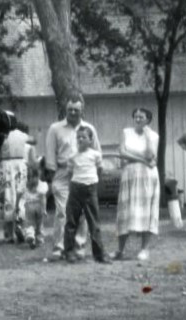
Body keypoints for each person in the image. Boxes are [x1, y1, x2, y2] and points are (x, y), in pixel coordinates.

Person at [45, 94, 100, 260]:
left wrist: (94, 175)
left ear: (82, 110)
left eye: (76, 110)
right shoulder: (55, 129)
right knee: (62, 212)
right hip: (62, 173)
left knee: (81, 212)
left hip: (83, 174)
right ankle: (59, 247)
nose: (73, 112)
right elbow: (50, 155)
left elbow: (97, 152)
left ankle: (78, 246)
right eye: (70, 109)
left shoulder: (89, 128)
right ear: (65, 109)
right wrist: (52, 178)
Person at [115, 108, 161, 261]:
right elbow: (122, 152)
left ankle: (144, 249)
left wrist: (147, 137)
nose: (138, 119)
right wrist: (142, 159)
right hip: (129, 175)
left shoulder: (153, 136)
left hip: (147, 177)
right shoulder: (126, 132)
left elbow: (151, 155)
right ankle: (120, 250)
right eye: (136, 116)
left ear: (148, 120)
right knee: (125, 211)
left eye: (142, 117)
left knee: (146, 210)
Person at [62, 125, 112, 264]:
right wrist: (74, 185)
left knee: (94, 223)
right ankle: (69, 252)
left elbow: (100, 170)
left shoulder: (95, 155)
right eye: (78, 137)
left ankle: (99, 254)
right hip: (76, 189)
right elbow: (70, 173)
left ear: (90, 140)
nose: (80, 139)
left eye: (84, 137)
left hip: (91, 190)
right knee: (71, 221)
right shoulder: (72, 156)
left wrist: (93, 182)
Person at [0, 123, 39, 243]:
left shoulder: (3, 136)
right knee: (19, 198)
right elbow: (34, 140)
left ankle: (9, 234)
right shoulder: (21, 135)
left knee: (6, 199)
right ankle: (19, 227)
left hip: (5, 166)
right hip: (20, 165)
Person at [17, 171, 48, 249]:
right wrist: (44, 209)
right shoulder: (42, 185)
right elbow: (43, 198)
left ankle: (30, 235)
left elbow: (18, 194)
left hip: (29, 205)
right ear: (37, 176)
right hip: (39, 205)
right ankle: (39, 240)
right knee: (39, 224)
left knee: (30, 223)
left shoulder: (24, 184)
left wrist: (16, 205)